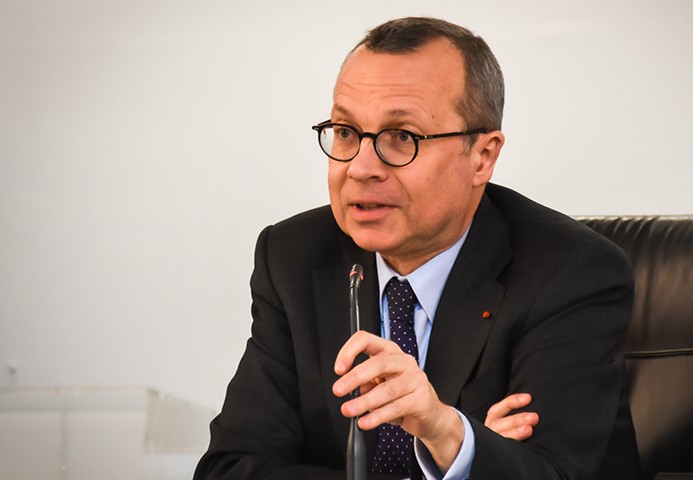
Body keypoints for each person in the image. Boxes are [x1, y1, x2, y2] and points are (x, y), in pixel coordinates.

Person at [194, 16, 639, 480]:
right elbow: (230, 469)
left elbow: (554, 474)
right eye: (346, 132)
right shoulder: (292, 257)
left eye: (401, 137)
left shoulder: (569, 272)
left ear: (482, 156)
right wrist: (463, 455)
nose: (361, 167)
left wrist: (444, 429)